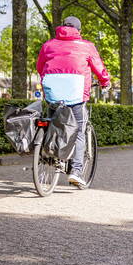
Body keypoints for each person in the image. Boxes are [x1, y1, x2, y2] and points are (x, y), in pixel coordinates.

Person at [36, 16, 110, 189]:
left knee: (52, 123)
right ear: (79, 31)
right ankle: (76, 171)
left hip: (53, 92)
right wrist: (105, 82)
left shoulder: (48, 45)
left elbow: (40, 67)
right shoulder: (87, 46)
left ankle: (49, 156)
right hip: (76, 93)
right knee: (79, 130)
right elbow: (99, 68)